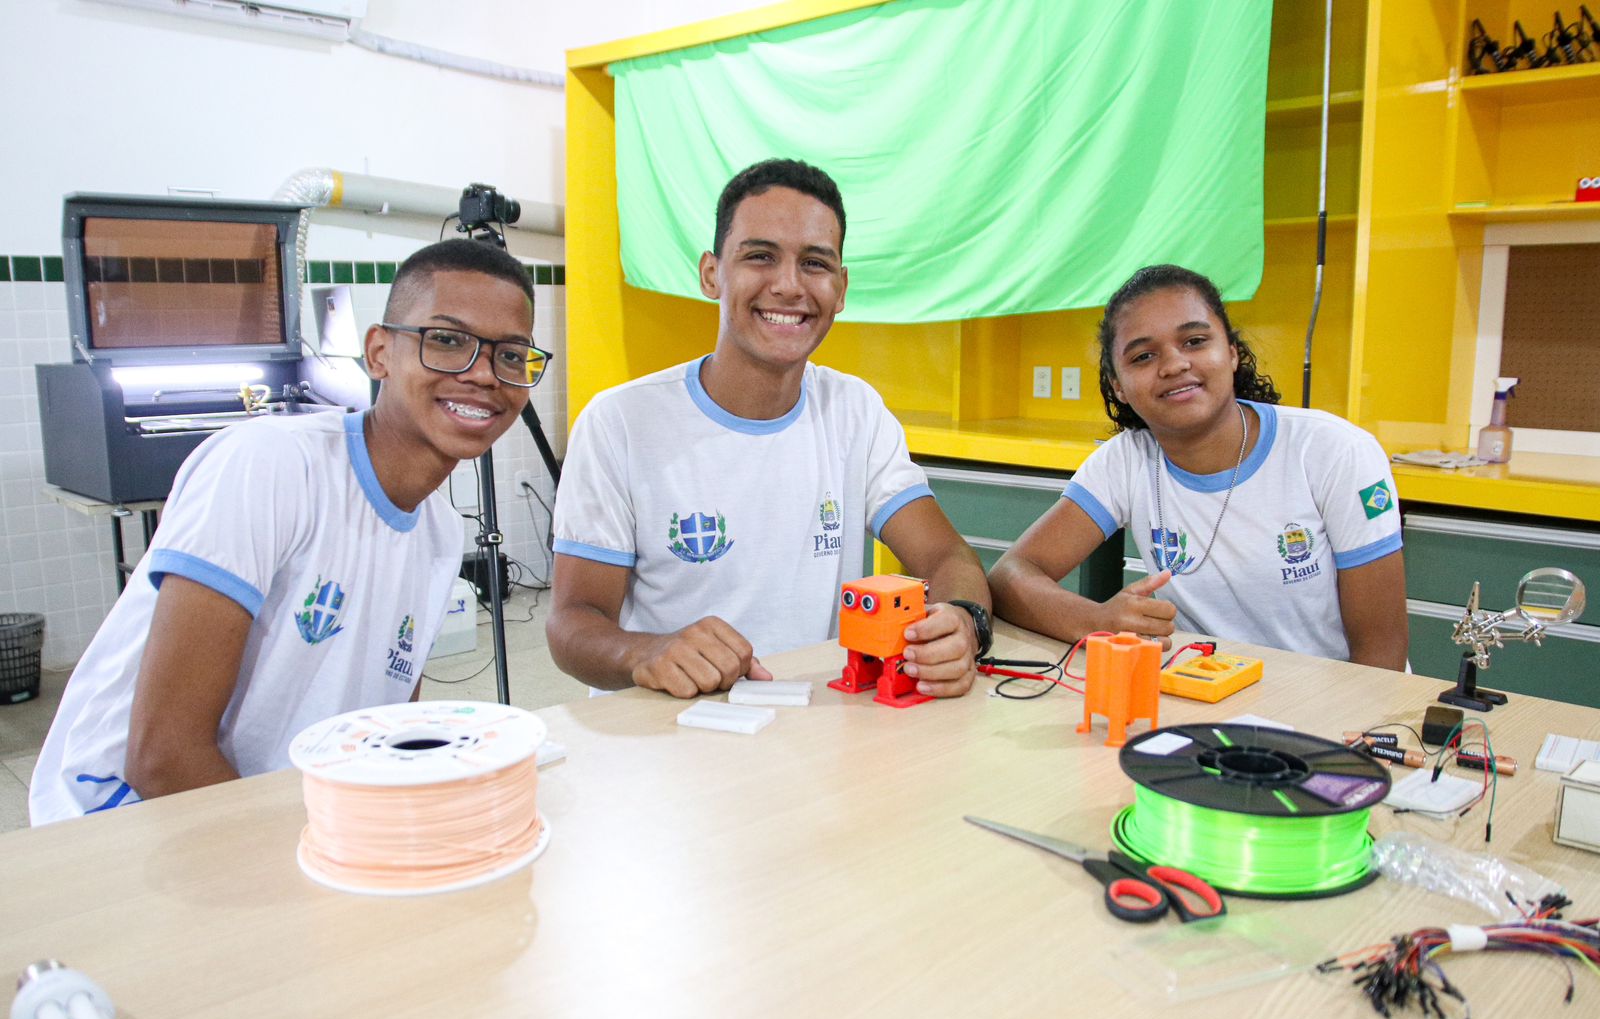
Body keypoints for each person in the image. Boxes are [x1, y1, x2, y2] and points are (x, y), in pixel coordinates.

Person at [30, 239, 545, 824]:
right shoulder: (269, 465)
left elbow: (383, 734)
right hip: (122, 821)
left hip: (276, 816)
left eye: (510, 355)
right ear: (380, 352)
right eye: (447, 341)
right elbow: (164, 758)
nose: (482, 375)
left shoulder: (440, 533)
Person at [548, 158, 992, 698]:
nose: (788, 286)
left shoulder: (856, 411)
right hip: (668, 742)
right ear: (712, 273)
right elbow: (572, 623)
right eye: (760, 256)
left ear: (841, 287)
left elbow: (948, 558)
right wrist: (647, 651)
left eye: (814, 263)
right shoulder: (619, 422)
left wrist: (965, 623)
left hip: (811, 730)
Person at [989, 264, 1407, 669]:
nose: (1173, 365)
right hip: (1205, 701)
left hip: (1332, 712)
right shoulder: (1127, 460)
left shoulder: (1333, 451)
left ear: (1231, 353)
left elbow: (1381, 653)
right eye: (1143, 356)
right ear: (1119, 385)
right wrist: (1096, 621)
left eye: (1194, 341)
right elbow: (1011, 575)